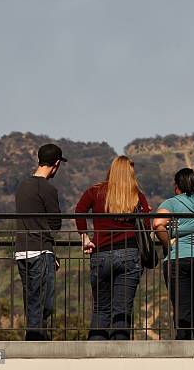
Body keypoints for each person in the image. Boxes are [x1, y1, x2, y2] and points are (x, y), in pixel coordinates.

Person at [75, 156, 150, 340]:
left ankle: (94, 358)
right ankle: (120, 359)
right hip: (129, 254)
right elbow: (147, 226)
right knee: (122, 312)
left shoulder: (95, 192)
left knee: (100, 310)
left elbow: (79, 211)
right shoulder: (137, 196)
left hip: (100, 255)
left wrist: (84, 237)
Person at [153, 168, 194, 340]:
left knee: (182, 311)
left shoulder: (172, 203)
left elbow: (158, 224)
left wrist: (168, 245)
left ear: (177, 186)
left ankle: (182, 353)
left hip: (179, 260)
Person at [14, 143, 66, 340]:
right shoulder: (48, 189)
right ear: (57, 163)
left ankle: (36, 339)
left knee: (32, 301)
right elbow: (56, 224)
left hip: (22, 250)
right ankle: (36, 344)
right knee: (44, 303)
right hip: (40, 251)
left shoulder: (22, 186)